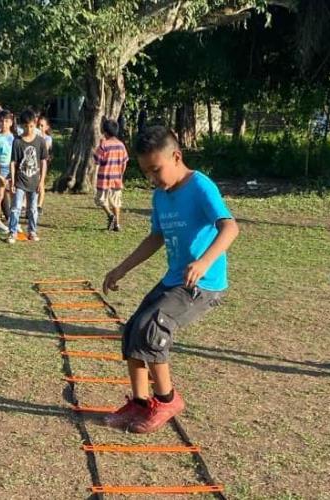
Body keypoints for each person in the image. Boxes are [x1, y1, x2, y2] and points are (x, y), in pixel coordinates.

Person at [102, 126, 239, 434]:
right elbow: (156, 237)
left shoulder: (201, 186)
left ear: (176, 156)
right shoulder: (160, 196)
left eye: (156, 169)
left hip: (203, 283)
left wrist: (204, 262)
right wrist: (122, 268)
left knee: (152, 328)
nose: (152, 178)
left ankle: (167, 400)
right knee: (133, 330)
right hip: (174, 279)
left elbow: (230, 227)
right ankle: (139, 404)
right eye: (146, 172)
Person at [7, 109, 48, 244]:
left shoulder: (41, 141)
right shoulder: (17, 142)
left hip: (34, 181)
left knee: (32, 208)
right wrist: (12, 180)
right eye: (26, 126)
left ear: (35, 124)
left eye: (31, 126)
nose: (29, 129)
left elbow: (43, 162)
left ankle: (32, 230)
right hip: (20, 180)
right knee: (16, 207)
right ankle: (12, 232)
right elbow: (13, 162)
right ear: (21, 126)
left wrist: (42, 181)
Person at [93, 118, 129, 231]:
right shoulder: (121, 145)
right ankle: (117, 224)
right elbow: (124, 162)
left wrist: (98, 146)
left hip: (104, 178)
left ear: (105, 132)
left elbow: (97, 159)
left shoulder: (104, 145)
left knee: (100, 200)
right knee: (116, 202)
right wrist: (120, 174)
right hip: (116, 178)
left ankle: (110, 215)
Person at [0, 110, 15, 233]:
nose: (4, 123)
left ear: (11, 122)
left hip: (12, 168)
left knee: (13, 194)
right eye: (1, 121)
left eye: (6, 121)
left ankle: (13, 221)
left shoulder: (14, 137)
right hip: (1, 168)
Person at [36, 115, 53, 215]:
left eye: (42, 126)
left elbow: (45, 149)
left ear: (47, 127)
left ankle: (39, 205)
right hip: (33, 163)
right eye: (38, 125)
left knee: (41, 184)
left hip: (42, 164)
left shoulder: (47, 138)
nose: (39, 128)